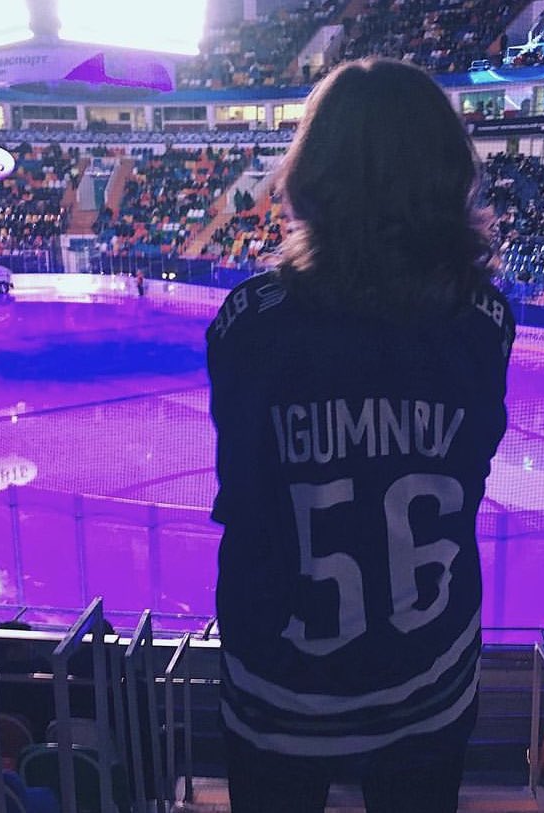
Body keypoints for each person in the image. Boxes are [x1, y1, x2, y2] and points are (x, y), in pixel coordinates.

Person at [206, 58, 515, 813]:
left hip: (279, 686)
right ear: (448, 174)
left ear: (313, 174)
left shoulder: (250, 326)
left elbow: (243, 499)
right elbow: (471, 469)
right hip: (428, 677)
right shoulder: (485, 325)